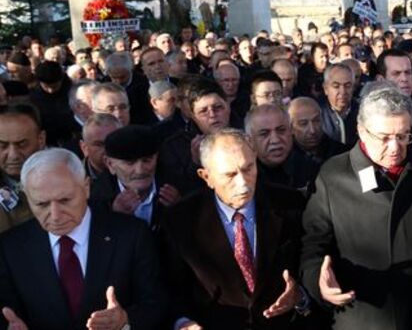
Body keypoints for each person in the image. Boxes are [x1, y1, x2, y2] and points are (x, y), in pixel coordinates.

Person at [300, 82, 412, 329]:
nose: (396, 147)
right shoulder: (333, 176)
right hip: (360, 316)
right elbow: (313, 245)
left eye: (403, 135)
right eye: (384, 138)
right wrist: (317, 282)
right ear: (362, 131)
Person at [0, 148, 167, 329]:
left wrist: (125, 321)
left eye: (65, 200)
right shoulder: (10, 247)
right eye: (42, 204)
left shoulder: (131, 235)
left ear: (86, 188)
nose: (55, 215)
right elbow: (7, 312)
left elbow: (156, 305)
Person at [161, 129, 309, 330]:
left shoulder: (291, 204)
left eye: (248, 168)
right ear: (206, 177)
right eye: (230, 174)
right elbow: (170, 289)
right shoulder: (181, 220)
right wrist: (184, 322)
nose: (243, 182)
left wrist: (300, 295)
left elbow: (310, 264)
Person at [90, 125, 181, 230]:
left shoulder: (180, 185)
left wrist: (180, 210)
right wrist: (114, 218)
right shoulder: (95, 200)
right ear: (110, 164)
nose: (140, 170)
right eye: (130, 163)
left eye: (147, 160)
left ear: (156, 157)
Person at [246, 104, 321, 194]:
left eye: (281, 130)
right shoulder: (243, 176)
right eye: (264, 134)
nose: (275, 140)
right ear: (250, 140)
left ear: (291, 131)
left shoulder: (313, 171)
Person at [0, 103, 46, 234]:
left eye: (22, 144)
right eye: (2, 146)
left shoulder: (65, 177)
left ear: (41, 139)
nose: (13, 155)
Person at [318, 64, 360, 156]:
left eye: (348, 86)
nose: (343, 92)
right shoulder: (316, 112)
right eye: (336, 86)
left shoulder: (363, 112)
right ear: (325, 88)